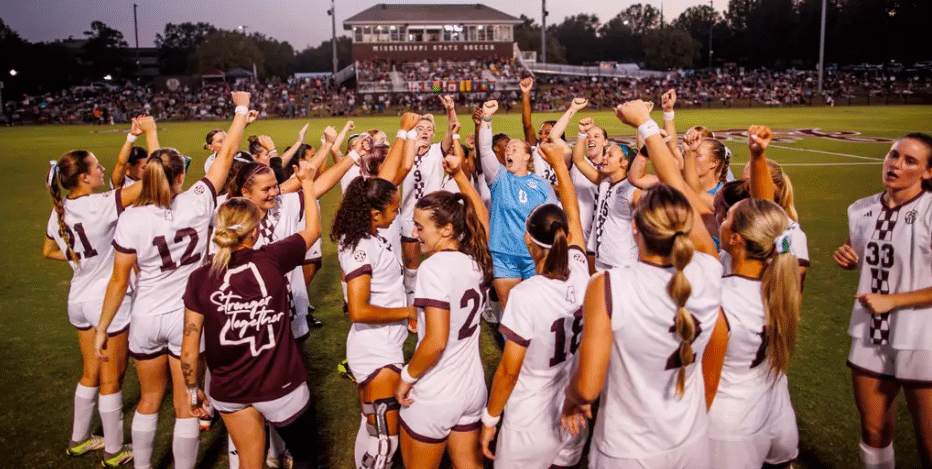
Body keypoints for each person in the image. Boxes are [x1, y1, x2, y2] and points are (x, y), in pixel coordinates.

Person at [561, 100, 726, 469]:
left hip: (627, 449)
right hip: (691, 441)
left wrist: (572, 398)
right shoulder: (710, 272)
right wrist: (647, 124)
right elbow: (681, 191)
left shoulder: (608, 285)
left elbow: (588, 386)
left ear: (635, 227)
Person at [94, 91, 251, 469]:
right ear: (182, 176)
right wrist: (240, 111)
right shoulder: (197, 200)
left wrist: (103, 327)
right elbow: (226, 156)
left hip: (145, 316)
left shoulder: (132, 217)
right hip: (188, 318)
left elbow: (118, 282)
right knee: (185, 405)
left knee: (149, 399)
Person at [180, 159, 322, 469]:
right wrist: (308, 185)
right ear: (254, 232)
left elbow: (190, 347)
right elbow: (313, 230)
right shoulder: (272, 259)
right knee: (307, 457)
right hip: (280, 385)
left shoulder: (200, 279)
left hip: (229, 390)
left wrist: (192, 390)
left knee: (249, 460)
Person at [479, 141, 589, 468]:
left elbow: (510, 369)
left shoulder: (526, 296)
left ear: (528, 241)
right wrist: (559, 165)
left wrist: (490, 418)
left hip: (531, 418)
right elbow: (573, 214)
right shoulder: (582, 269)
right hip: (571, 408)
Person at [44, 130, 151, 466]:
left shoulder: (61, 209)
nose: (103, 169)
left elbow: (49, 250)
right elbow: (149, 184)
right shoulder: (102, 204)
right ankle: (114, 450)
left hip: (78, 298)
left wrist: (82, 260)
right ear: (84, 177)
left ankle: (79, 440)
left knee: (90, 371)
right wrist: (148, 135)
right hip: (107, 301)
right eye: (97, 166)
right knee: (111, 377)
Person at [833, 132, 932, 469]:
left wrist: (894, 301)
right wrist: (847, 256)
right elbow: (859, 252)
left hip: (922, 336)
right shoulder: (860, 209)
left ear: (928, 172)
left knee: (928, 442)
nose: (895, 164)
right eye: (893, 155)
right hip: (869, 332)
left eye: (910, 161)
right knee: (873, 430)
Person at [395, 143, 494, 469]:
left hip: (437, 390)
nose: (414, 233)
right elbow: (480, 220)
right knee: (468, 464)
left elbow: (435, 341)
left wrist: (407, 376)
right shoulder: (476, 259)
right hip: (472, 387)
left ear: (448, 229)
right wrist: (461, 178)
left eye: (421, 227)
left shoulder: (434, 269)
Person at [331, 112, 421, 469]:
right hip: (376, 350)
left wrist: (402, 133)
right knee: (385, 441)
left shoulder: (369, 233)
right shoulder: (359, 248)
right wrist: (408, 311)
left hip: (381, 344)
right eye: (392, 210)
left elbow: (389, 177)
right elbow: (359, 310)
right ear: (374, 213)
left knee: (372, 427)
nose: (396, 214)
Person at [706, 196, 802, 468]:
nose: (721, 221)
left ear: (736, 239)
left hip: (727, 428)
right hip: (774, 414)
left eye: (727, 218)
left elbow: (707, 384)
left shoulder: (720, 298)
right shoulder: (781, 289)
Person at [476, 99, 561, 308]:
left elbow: (551, 219)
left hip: (534, 254)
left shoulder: (541, 184)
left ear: (526, 156)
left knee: (536, 306)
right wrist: (486, 118)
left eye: (514, 149)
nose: (508, 152)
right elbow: (485, 150)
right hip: (503, 255)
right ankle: (509, 341)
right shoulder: (498, 177)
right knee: (508, 307)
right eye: (507, 149)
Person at [399, 96, 456, 304]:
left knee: (436, 263)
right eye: (420, 128)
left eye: (429, 129)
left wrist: (450, 109)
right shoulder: (404, 151)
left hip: (433, 217)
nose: (424, 131)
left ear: (433, 134)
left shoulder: (436, 151)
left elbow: (452, 130)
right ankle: (410, 306)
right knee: (411, 268)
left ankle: (438, 301)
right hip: (407, 216)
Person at [573, 116, 642, 271]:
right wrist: (582, 134)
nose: (604, 158)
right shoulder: (604, 182)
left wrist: (641, 124)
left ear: (624, 163)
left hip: (623, 262)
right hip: (601, 257)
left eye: (610, 155)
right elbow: (579, 160)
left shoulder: (633, 189)